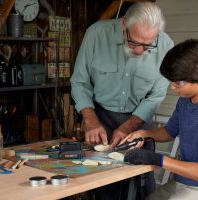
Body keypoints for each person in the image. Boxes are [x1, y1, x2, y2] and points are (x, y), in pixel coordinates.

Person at [71, 1, 173, 199]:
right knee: (104, 183)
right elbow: (80, 81)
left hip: (140, 121)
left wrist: (129, 127)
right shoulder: (96, 34)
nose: (139, 51)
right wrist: (90, 120)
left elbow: (156, 95)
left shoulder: (166, 45)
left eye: (147, 45)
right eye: (134, 42)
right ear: (124, 24)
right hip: (101, 117)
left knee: (140, 184)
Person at [122, 39, 198, 200]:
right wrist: (143, 133)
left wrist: (155, 159)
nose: (172, 87)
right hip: (181, 182)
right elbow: (169, 132)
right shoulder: (185, 100)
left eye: (179, 82)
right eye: (171, 81)